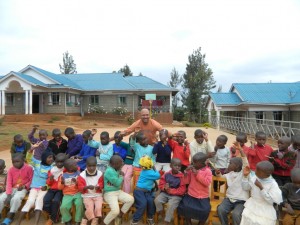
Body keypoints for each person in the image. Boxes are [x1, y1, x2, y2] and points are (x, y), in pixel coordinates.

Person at [16, 148, 54, 225]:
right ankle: (18, 222)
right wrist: (31, 149)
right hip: (34, 187)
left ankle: (36, 223)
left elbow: (52, 181)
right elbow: (29, 158)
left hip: (44, 189)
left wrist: (46, 186)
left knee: (39, 201)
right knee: (30, 201)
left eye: (52, 157)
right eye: (49, 157)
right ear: (44, 158)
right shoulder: (37, 163)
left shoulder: (52, 167)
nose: (51, 159)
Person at [216, 142, 249, 225]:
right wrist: (218, 173)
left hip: (241, 200)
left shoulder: (243, 173)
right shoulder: (229, 174)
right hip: (229, 199)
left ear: (237, 166)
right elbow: (221, 177)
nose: (228, 165)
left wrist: (240, 150)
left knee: (236, 214)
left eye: (230, 163)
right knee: (221, 209)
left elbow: (245, 162)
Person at [240, 161, 282, 225]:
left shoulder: (273, 184)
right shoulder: (255, 178)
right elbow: (246, 188)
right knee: (247, 219)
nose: (255, 171)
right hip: (252, 206)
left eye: (258, 170)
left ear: (266, 174)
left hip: (265, 210)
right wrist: (245, 177)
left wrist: (261, 188)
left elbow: (271, 201)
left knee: (262, 222)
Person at [177, 152, 212, 225]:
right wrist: (186, 172)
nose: (193, 164)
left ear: (203, 163)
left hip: (202, 197)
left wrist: (197, 174)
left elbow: (207, 183)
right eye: (193, 162)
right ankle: (189, 223)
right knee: (185, 207)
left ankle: (200, 223)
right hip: (191, 195)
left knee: (205, 211)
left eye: (195, 163)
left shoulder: (207, 171)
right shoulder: (192, 170)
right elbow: (186, 181)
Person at [0, 154, 33, 225]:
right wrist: (8, 194)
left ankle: (10, 216)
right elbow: (8, 182)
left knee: (16, 198)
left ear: (23, 160)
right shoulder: (11, 170)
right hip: (11, 188)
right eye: (13, 162)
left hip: (22, 189)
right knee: (1, 198)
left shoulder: (28, 168)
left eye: (17, 161)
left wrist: (25, 186)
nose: (15, 164)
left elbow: (31, 180)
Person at [103, 155, 134, 225]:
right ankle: (104, 222)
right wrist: (121, 176)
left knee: (131, 199)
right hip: (109, 193)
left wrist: (120, 174)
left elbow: (118, 182)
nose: (122, 164)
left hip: (118, 191)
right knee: (115, 211)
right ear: (115, 164)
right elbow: (117, 183)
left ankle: (119, 216)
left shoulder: (116, 169)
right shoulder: (109, 171)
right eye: (120, 163)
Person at [154, 158, 186, 225]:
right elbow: (161, 184)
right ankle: (160, 211)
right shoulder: (166, 174)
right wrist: (164, 188)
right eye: (175, 165)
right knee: (157, 200)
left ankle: (167, 220)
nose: (177, 167)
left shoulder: (182, 176)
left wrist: (171, 191)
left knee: (171, 205)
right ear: (171, 166)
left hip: (176, 195)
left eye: (179, 166)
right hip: (165, 193)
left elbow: (182, 190)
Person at [131, 156, 160, 225]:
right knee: (143, 204)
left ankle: (149, 218)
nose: (140, 166)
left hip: (147, 192)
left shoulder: (146, 171)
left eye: (141, 165)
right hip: (139, 192)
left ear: (143, 166)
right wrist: (154, 169)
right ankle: (134, 221)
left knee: (151, 202)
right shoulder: (148, 172)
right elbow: (158, 175)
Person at [78, 156, 104, 225]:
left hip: (97, 195)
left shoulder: (100, 173)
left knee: (98, 208)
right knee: (89, 209)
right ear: (86, 165)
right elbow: (80, 187)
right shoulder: (82, 175)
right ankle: (88, 220)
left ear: (96, 165)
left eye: (93, 166)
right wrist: (86, 187)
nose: (92, 168)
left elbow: (101, 184)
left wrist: (97, 187)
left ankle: (94, 221)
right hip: (87, 195)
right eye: (89, 166)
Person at [58, 158, 83, 225]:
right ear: (70, 168)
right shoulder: (63, 176)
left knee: (80, 204)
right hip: (67, 194)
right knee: (63, 207)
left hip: (77, 193)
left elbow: (81, 184)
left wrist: (77, 182)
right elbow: (59, 188)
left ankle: (78, 220)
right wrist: (62, 183)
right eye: (75, 165)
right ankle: (67, 219)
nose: (77, 166)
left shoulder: (78, 173)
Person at [43, 153, 67, 225]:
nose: (59, 164)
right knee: (46, 200)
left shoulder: (66, 170)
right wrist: (50, 179)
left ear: (65, 162)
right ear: (55, 162)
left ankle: (53, 219)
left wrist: (63, 181)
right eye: (57, 162)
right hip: (52, 189)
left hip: (60, 190)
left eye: (61, 162)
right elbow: (48, 183)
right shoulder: (52, 170)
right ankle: (53, 214)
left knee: (56, 201)